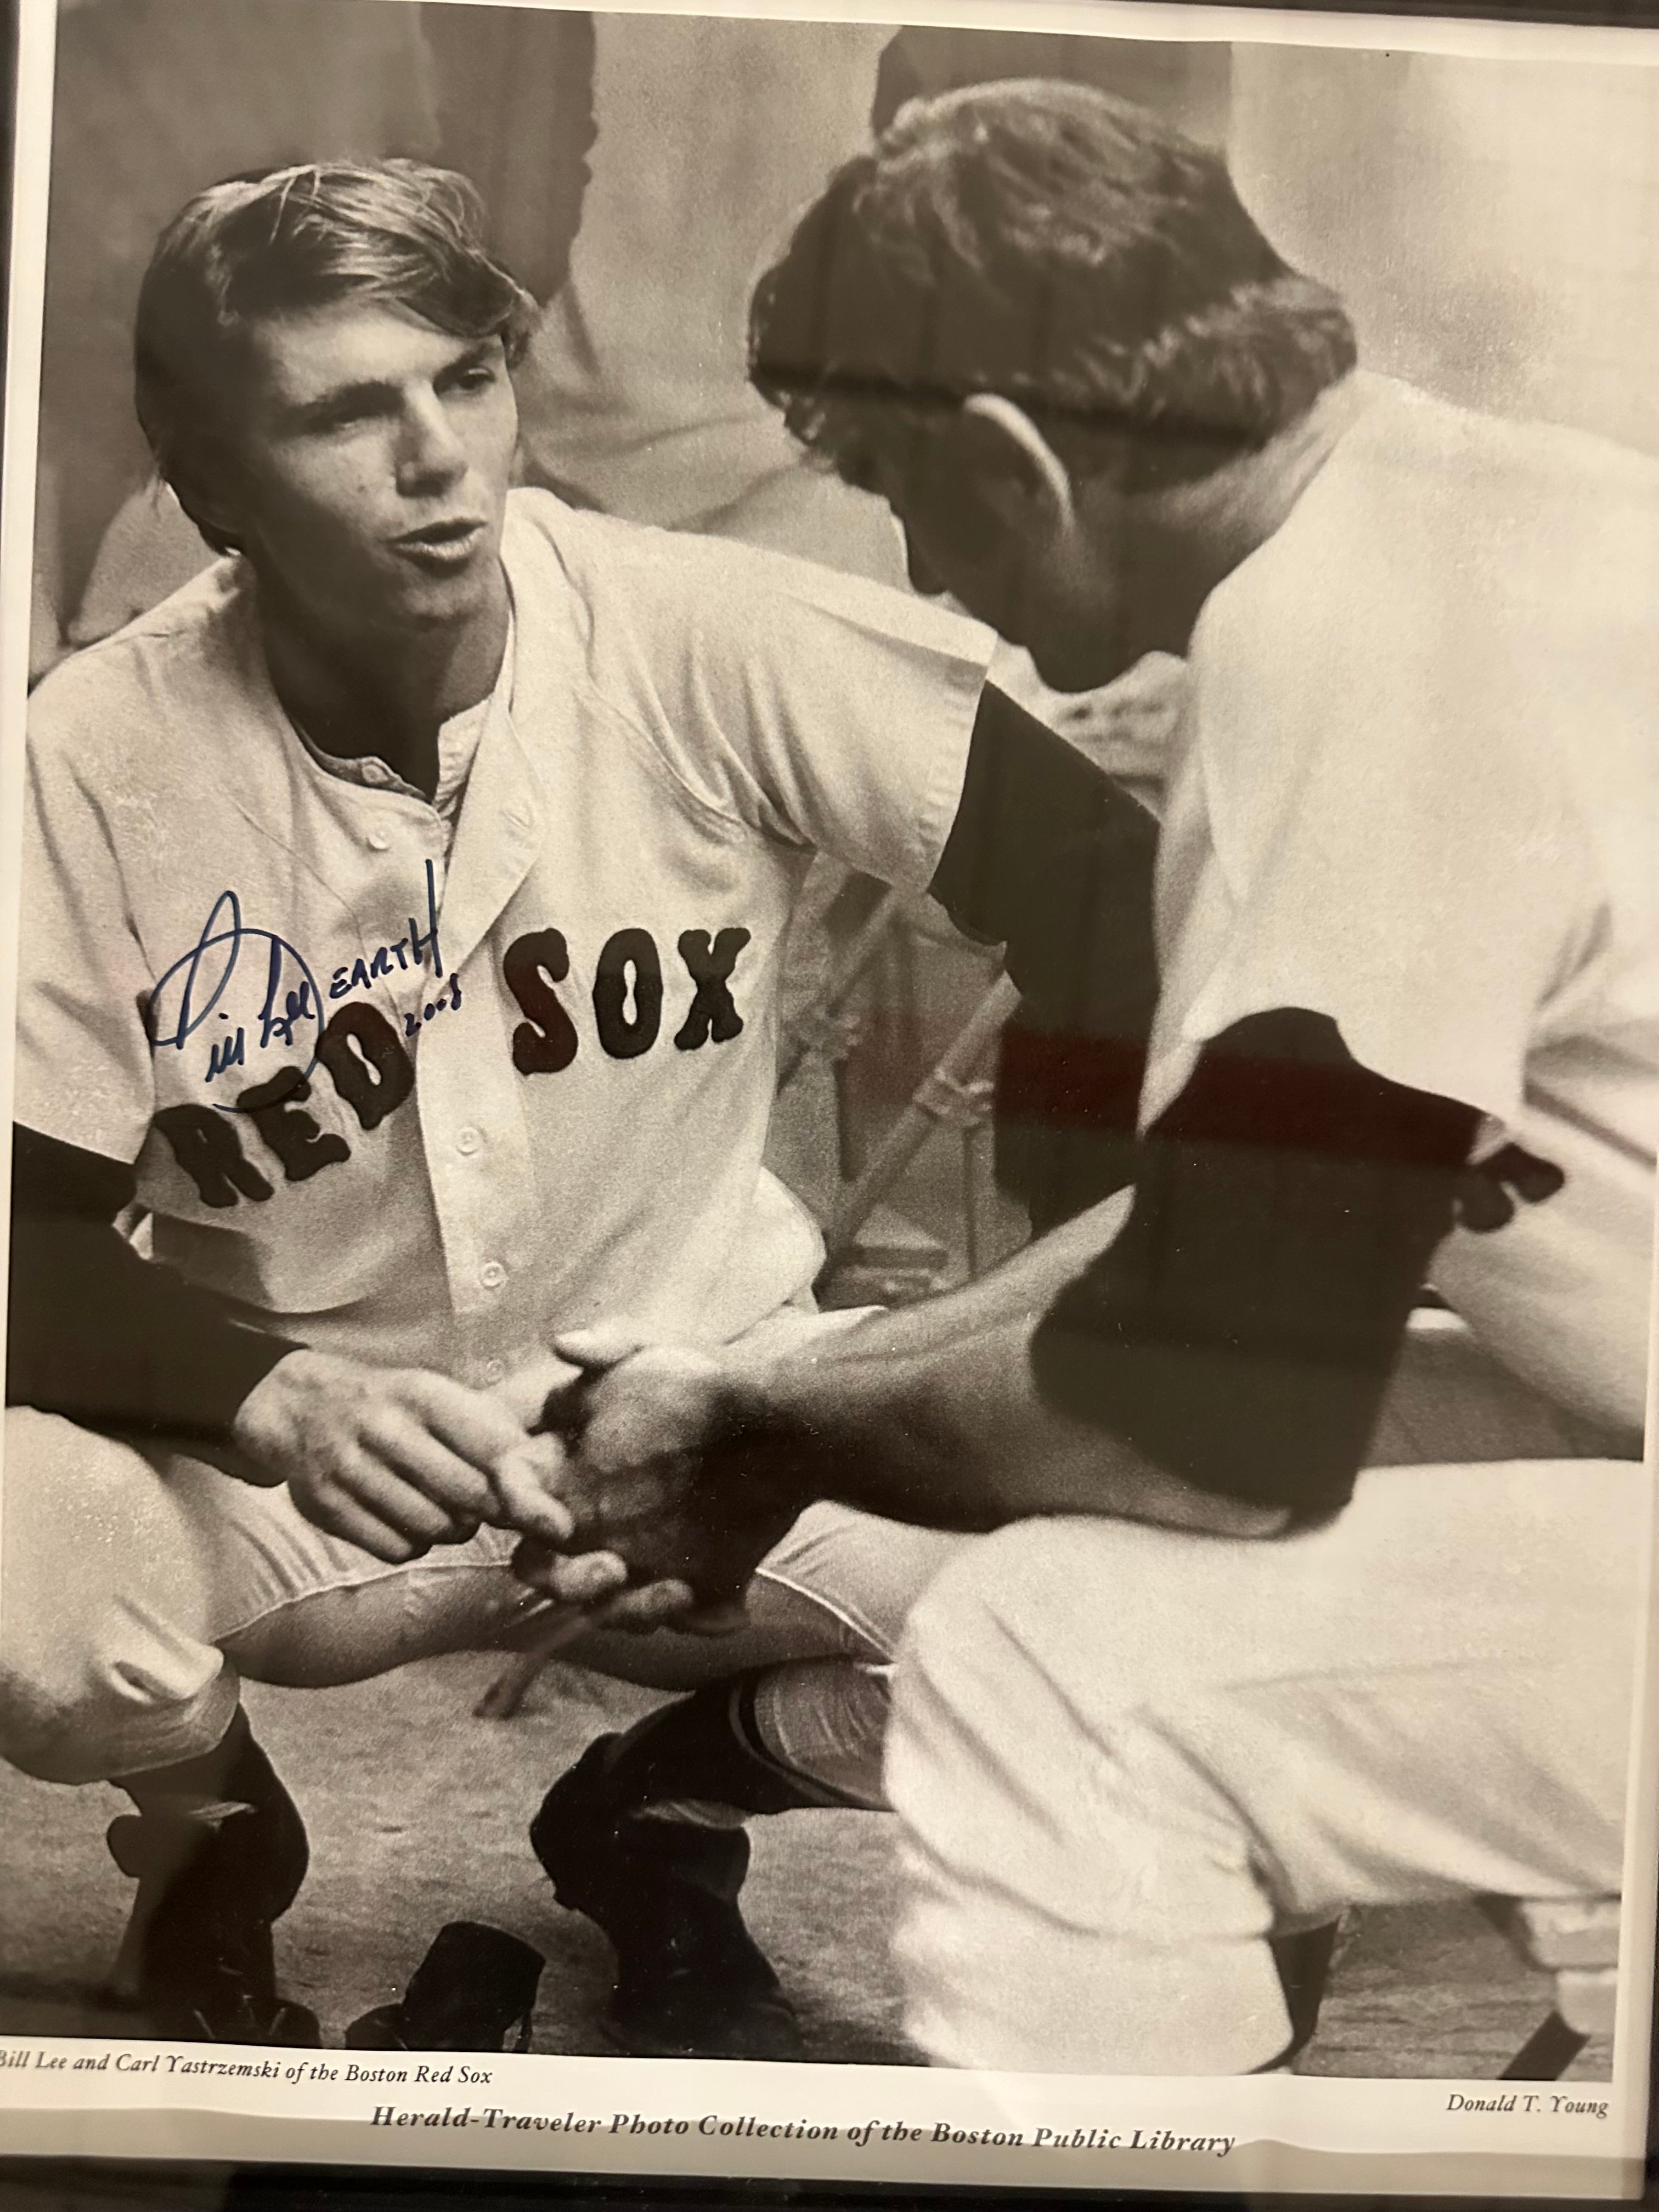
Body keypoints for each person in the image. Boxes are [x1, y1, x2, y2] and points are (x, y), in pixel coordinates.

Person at [520, 83, 1655, 2072]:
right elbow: (1238, 1221)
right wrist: (772, 1387)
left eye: (898, 485)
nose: (926, 569)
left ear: (1010, 458)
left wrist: (767, 1452)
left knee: (1055, 1663)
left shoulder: (1353, 636)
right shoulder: (1488, 508)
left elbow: (1206, 1418)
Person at [2, 156, 1170, 2054]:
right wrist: (266, 1394)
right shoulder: (91, 754)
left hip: (719, 1423)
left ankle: (670, 1796)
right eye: (344, 413)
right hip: (288, 1484)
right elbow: (13, 1239)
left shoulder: (697, 630)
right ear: (208, 490)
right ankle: (211, 1825)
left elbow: (1118, 900)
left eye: (466, 379)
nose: (440, 458)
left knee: (1146, 1623)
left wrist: (1031, 1306)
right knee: (14, 1582)